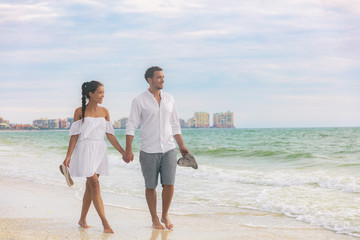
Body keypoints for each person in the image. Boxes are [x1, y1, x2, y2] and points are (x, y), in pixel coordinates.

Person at [123, 66, 190, 230]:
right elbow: (131, 125)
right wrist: (128, 150)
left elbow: (175, 124)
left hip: (169, 148)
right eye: (159, 77)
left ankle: (165, 215)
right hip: (148, 149)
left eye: (163, 77)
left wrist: (181, 146)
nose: (162, 80)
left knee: (169, 184)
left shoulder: (170, 99)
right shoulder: (139, 100)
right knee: (150, 186)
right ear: (149, 80)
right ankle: (154, 218)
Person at [63, 81, 125, 233]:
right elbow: (74, 136)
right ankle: (105, 223)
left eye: (103, 92)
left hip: (99, 150)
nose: (103, 95)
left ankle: (82, 219)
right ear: (91, 94)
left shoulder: (105, 111)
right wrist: (68, 156)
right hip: (85, 149)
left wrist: (123, 152)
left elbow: (109, 135)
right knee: (95, 185)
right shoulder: (79, 111)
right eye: (100, 92)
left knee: (90, 187)